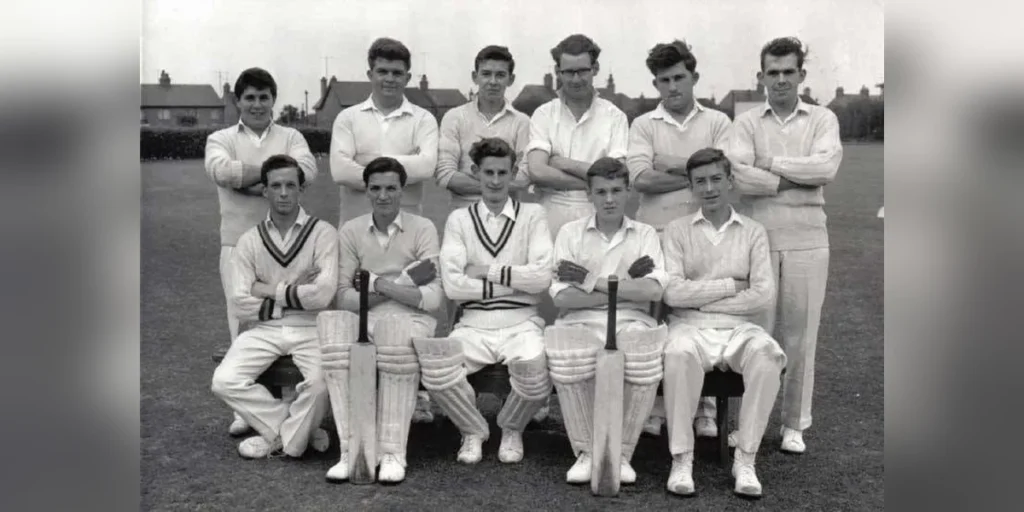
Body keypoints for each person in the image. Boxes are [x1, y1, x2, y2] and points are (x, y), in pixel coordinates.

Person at [726, 37, 843, 454]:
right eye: (772, 72)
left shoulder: (822, 118)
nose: (780, 80)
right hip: (755, 241)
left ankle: (794, 424)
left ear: (801, 75)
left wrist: (769, 164)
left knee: (800, 338)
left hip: (808, 240)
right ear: (761, 76)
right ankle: (748, 425)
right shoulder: (746, 123)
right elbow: (739, 177)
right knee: (753, 337)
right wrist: (796, 179)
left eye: (788, 72)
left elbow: (826, 168)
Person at [413, 138, 554, 465]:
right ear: (476, 172)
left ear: (513, 173)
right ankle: (472, 429)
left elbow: (541, 279)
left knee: (537, 374)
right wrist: (516, 284)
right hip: (473, 323)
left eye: (502, 172)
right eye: (488, 172)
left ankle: (512, 428)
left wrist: (487, 271)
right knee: (436, 369)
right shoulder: (460, 219)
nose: (495, 180)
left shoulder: (533, 215)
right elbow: (454, 286)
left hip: (522, 322)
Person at [660, 148, 786, 498]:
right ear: (690, 187)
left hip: (739, 327)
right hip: (688, 326)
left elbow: (762, 295)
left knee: (769, 355)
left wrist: (699, 297)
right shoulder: (676, 230)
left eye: (716, 179)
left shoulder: (753, 231)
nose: (709, 188)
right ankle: (681, 459)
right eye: (700, 181)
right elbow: (672, 293)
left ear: (730, 181)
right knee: (678, 354)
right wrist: (731, 286)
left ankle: (745, 459)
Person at [626, 39, 733, 439]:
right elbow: (641, 179)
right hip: (655, 232)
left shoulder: (718, 122)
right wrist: (699, 175)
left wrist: (671, 165)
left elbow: (725, 173)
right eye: (663, 80)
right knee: (653, 319)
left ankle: (705, 408)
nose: (672, 87)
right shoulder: (643, 124)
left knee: (702, 318)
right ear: (656, 84)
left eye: (679, 78)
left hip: (707, 232)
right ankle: (655, 406)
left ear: (694, 77)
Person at [205, 67, 318, 437]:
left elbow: (307, 170)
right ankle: (248, 409)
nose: (257, 104)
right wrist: (276, 176)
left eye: (264, 97)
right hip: (238, 244)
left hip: (289, 242)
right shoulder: (221, 138)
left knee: (289, 317)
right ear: (238, 101)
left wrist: (250, 181)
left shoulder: (291, 135)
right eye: (250, 97)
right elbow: (221, 171)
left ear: (273, 100)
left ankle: (288, 402)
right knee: (244, 322)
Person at [546, 157, 668, 485]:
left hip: (632, 319)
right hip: (579, 319)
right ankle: (587, 452)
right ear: (589, 194)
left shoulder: (645, 234)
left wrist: (589, 280)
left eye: (616, 190)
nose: (609, 199)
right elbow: (562, 298)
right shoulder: (570, 233)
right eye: (601, 192)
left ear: (628, 191)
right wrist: (624, 288)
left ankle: (621, 453)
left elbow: (653, 291)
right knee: (568, 350)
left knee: (643, 350)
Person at [210, 154, 338, 459]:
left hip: (312, 327)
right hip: (264, 328)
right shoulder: (249, 240)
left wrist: (268, 290)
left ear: (301, 189)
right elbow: (240, 303)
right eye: (276, 186)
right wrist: (295, 292)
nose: (283, 193)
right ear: (264, 190)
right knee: (224, 381)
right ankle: (294, 432)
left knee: (321, 385)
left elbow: (321, 296)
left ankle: (283, 441)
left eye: (290, 185)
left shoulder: (323, 233)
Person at [324, 157, 443, 483]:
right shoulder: (351, 231)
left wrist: (375, 283)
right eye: (375, 188)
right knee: (336, 340)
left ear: (402, 190)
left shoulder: (423, 228)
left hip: (412, 322)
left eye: (391, 188)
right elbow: (344, 298)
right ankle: (351, 450)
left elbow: (432, 298)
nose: (383, 196)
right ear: (366, 191)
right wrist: (402, 285)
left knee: (395, 342)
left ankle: (392, 453)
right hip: (366, 319)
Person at [525, 34, 629, 240]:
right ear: (558, 72)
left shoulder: (615, 116)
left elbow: (616, 176)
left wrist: (562, 163)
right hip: (550, 217)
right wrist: (596, 183)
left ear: (595, 68)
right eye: (569, 72)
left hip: (598, 216)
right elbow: (537, 171)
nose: (575, 79)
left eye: (582, 71)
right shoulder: (544, 114)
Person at [330, 37, 439, 226]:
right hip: (356, 227)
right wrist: (402, 168)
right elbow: (341, 172)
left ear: (407, 78)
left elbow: (426, 167)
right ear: (370, 74)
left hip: (407, 229)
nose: (389, 79)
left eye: (397, 73)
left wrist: (367, 161)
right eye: (382, 71)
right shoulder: (347, 118)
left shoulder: (424, 119)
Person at [436, 44, 531, 212]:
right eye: (486, 74)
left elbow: (524, 178)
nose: (493, 82)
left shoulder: (522, 122)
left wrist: (468, 180)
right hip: (463, 214)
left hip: (508, 215)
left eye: (500, 75)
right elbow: (445, 175)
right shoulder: (454, 117)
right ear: (475, 77)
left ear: (511, 79)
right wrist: (501, 182)